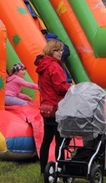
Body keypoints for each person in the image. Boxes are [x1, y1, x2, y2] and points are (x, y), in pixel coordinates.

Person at [35, 39, 72, 177]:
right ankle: (60, 169)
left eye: (62, 50)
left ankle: (43, 170)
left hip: (46, 107)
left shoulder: (42, 65)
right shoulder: (54, 66)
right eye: (58, 50)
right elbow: (60, 87)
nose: (61, 53)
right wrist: (71, 87)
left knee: (46, 139)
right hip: (57, 107)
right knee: (60, 141)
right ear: (51, 51)